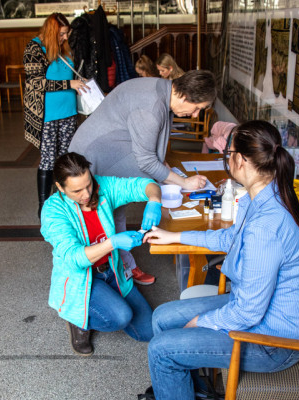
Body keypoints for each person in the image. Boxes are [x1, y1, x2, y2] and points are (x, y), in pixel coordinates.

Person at [142, 120, 299, 400]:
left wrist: (203, 322)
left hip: (274, 341)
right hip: (255, 311)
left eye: (230, 153)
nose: (227, 158)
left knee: (161, 349)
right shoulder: (259, 196)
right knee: (162, 317)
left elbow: (249, 312)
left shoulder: (266, 226)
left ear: (244, 161)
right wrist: (174, 238)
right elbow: (229, 240)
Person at [68, 70, 216, 286]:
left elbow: (148, 147)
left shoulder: (162, 89)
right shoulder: (151, 108)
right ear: (186, 96)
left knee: (115, 211)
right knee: (98, 216)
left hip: (109, 147)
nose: (195, 115)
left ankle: (123, 265)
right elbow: (146, 161)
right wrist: (184, 183)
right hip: (94, 156)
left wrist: (164, 169)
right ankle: (101, 276)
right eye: (197, 109)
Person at [40, 152, 163, 355]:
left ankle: (108, 298)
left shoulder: (101, 186)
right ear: (60, 188)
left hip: (112, 270)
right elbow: (74, 258)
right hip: (82, 278)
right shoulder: (53, 211)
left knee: (148, 332)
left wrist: (154, 200)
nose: (86, 194)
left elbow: (143, 185)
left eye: (88, 184)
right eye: (77, 191)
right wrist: (112, 243)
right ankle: (77, 320)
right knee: (121, 316)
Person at [23, 13, 89, 218]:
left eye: (66, 34)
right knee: (48, 160)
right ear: (51, 31)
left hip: (68, 113)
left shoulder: (63, 49)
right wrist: (70, 84)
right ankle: (43, 206)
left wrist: (80, 82)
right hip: (48, 116)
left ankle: (63, 200)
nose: (65, 38)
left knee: (65, 159)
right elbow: (36, 83)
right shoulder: (34, 48)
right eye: (61, 34)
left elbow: (69, 75)